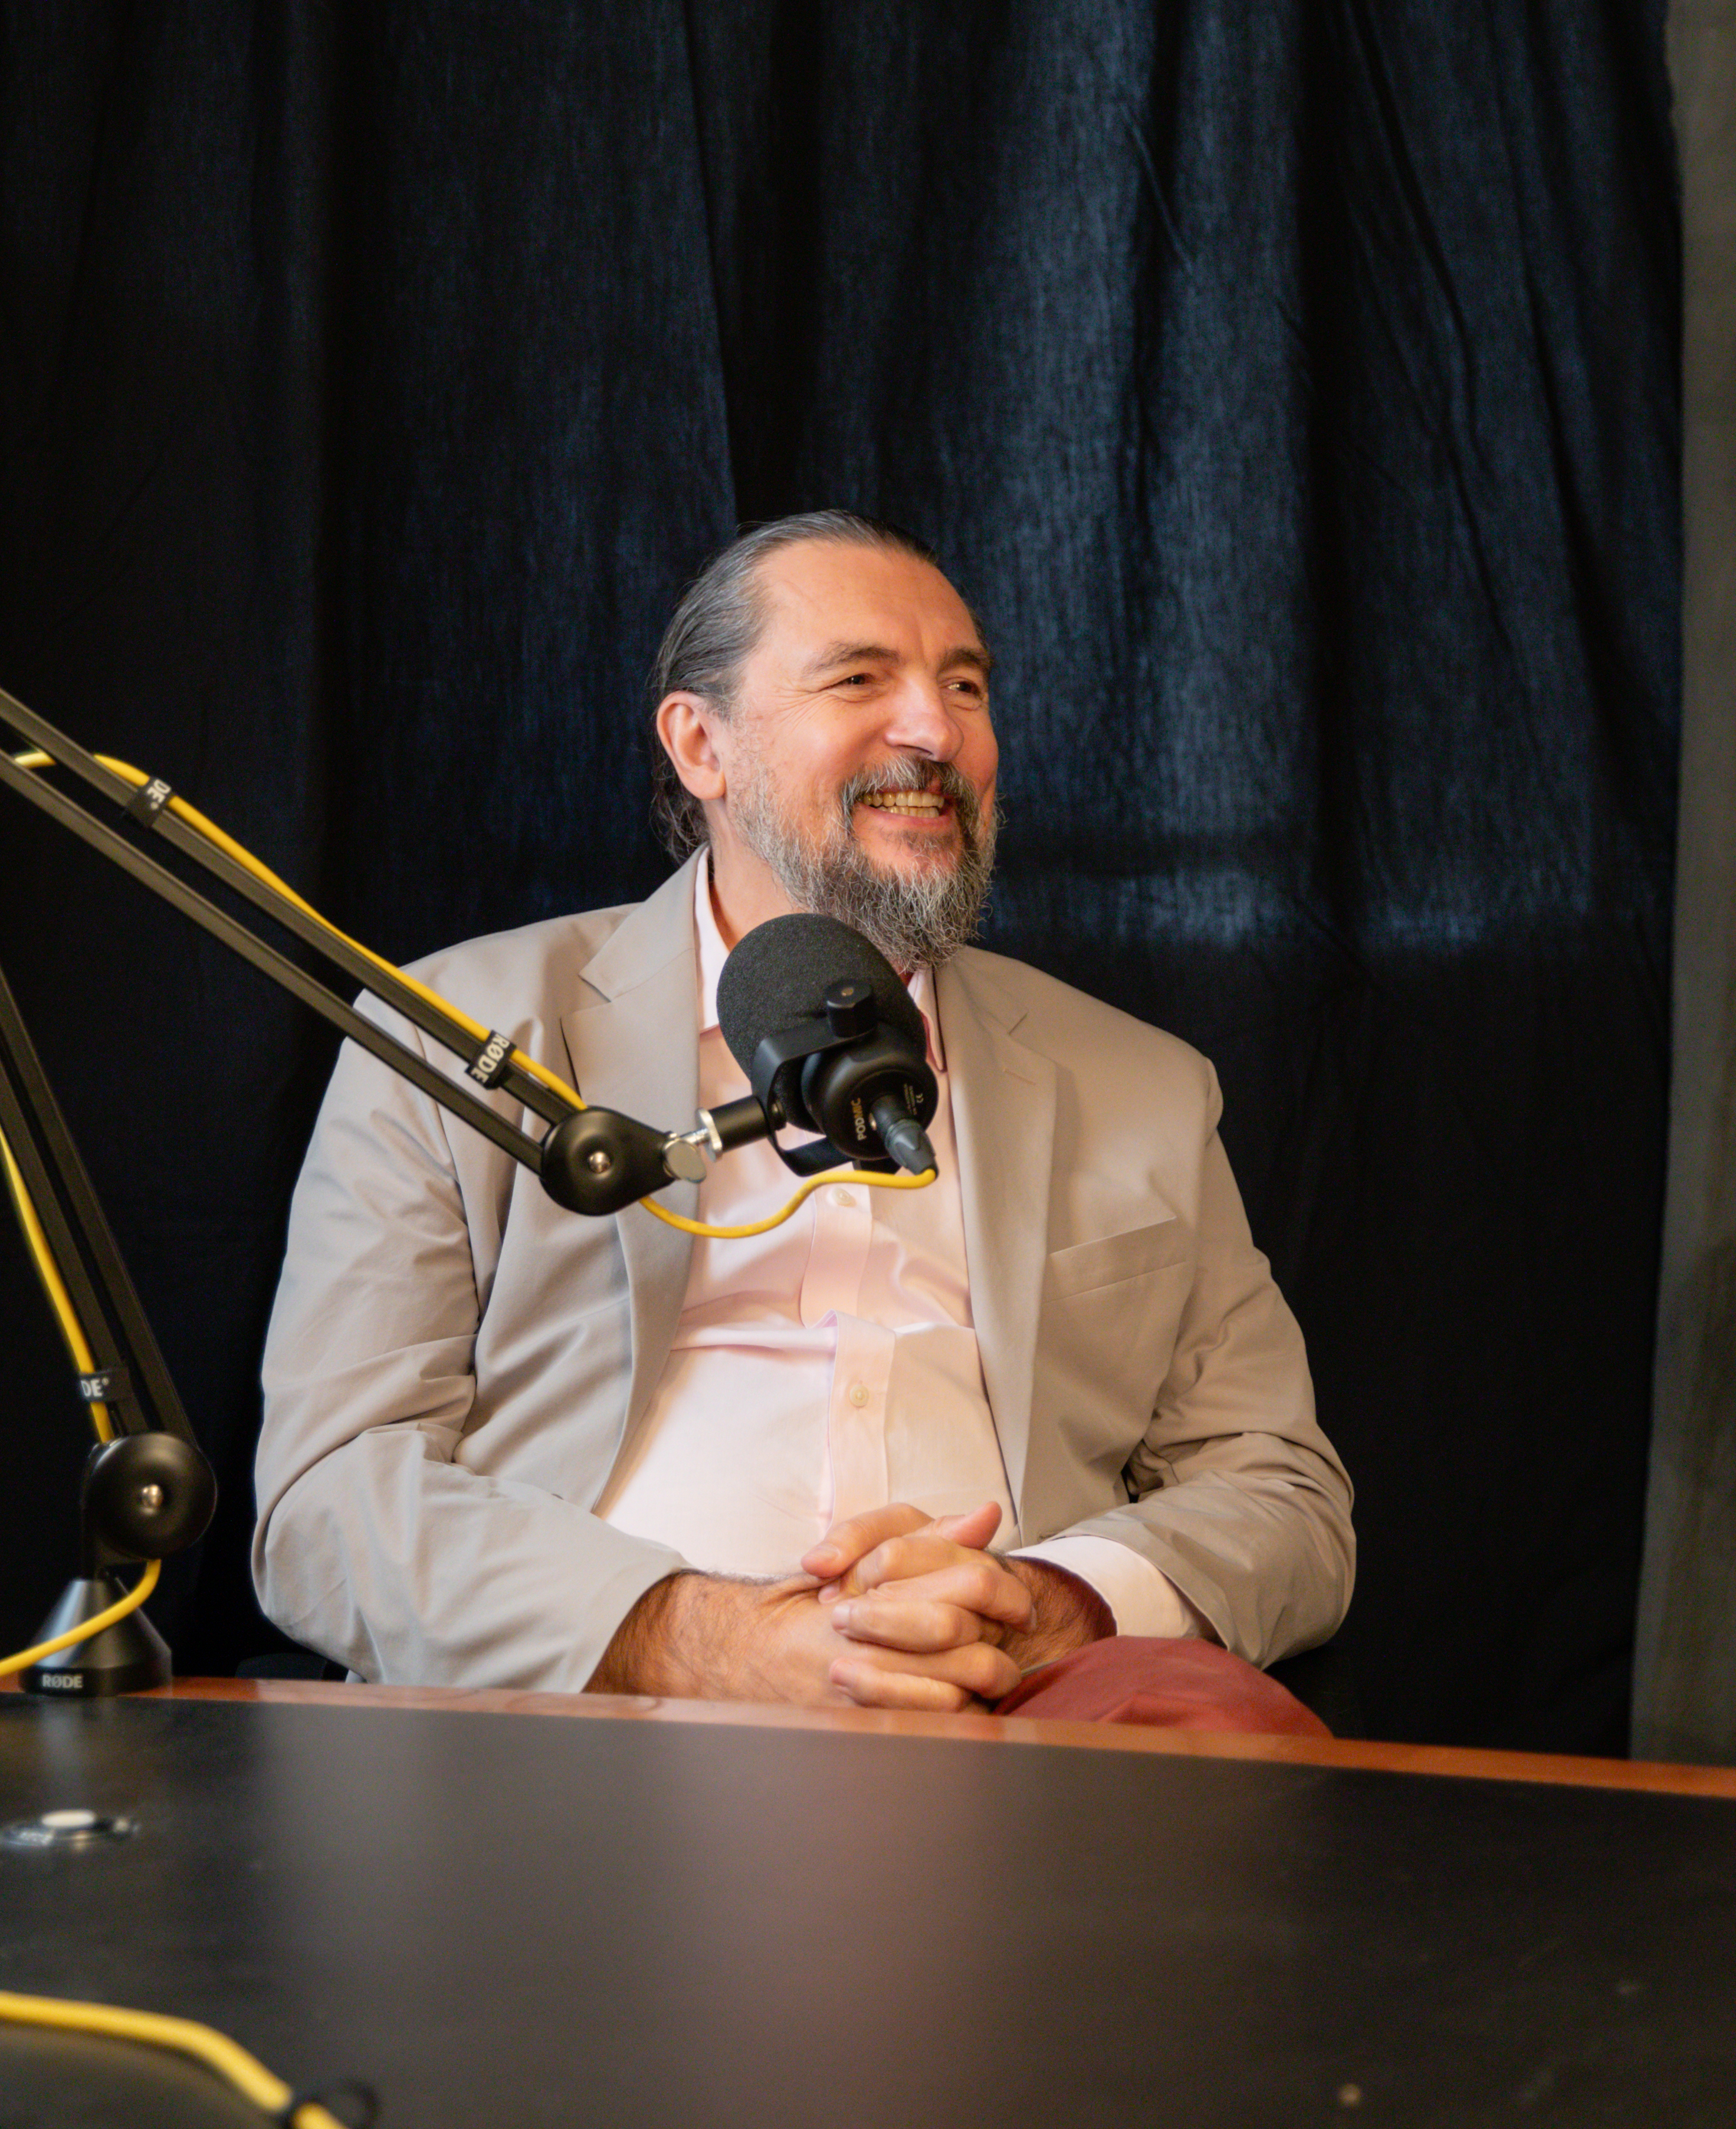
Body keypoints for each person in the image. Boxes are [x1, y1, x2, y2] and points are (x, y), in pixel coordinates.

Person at [249, 510, 1352, 1728]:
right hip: (592, 1716)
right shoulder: (460, 1035)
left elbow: (1284, 1496)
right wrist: (700, 1638)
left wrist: (1044, 1602)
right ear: (701, 744)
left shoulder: (1140, 1084)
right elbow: (329, 1497)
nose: (935, 730)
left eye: (966, 685)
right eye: (859, 679)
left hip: (1015, 1719)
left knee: (1231, 1742)